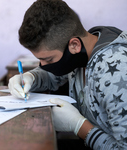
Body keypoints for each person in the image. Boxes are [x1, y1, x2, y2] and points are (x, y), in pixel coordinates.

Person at [8, 0, 127, 149]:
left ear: (74, 45)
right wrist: (30, 77)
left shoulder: (116, 71)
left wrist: (79, 126)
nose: (43, 66)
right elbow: (52, 76)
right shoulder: (84, 50)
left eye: (48, 59)